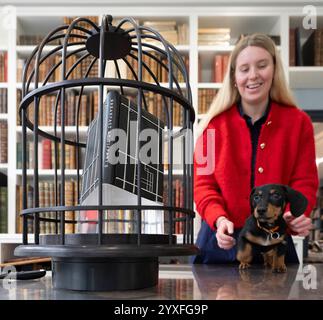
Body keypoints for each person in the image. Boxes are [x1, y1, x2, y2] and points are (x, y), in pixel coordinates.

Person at [192, 33, 318, 264]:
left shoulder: (300, 124)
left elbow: (305, 182)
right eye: (244, 68)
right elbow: (202, 186)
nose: (253, 75)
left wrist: (295, 213)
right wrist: (218, 219)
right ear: (234, 77)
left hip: (275, 245)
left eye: (262, 65)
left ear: (274, 70)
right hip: (219, 244)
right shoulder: (209, 128)